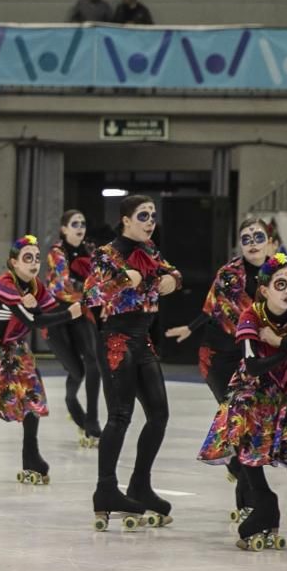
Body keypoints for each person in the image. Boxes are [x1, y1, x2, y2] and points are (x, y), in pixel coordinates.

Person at [165, 218, 287, 521]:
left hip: (262, 357)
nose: (252, 241)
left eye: (258, 236)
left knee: (253, 427)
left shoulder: (284, 271)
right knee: (239, 422)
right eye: (246, 237)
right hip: (222, 356)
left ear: (269, 241)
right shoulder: (229, 274)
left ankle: (247, 486)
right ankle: (249, 499)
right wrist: (189, 327)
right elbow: (210, 309)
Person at [198, 253, 287, 553]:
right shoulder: (252, 315)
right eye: (281, 284)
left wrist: (282, 343)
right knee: (242, 427)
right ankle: (264, 500)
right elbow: (252, 366)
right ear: (264, 290)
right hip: (254, 387)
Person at [84, 195, 181, 530]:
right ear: (126, 219)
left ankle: (140, 484)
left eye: (153, 215)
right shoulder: (107, 253)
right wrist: (127, 279)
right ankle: (105, 490)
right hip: (116, 339)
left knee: (159, 414)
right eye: (143, 215)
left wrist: (171, 279)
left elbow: (172, 276)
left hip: (143, 339)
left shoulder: (151, 249)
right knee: (121, 415)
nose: (150, 220)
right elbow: (92, 294)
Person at [0, 235, 81, 485]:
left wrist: (82, 302)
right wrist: (70, 313)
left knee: (33, 396)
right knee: (5, 406)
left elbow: (50, 309)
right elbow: (33, 321)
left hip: (14, 346)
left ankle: (31, 456)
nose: (34, 263)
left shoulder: (35, 286)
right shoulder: (3, 284)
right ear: (13, 262)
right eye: (27, 258)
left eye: (36, 258)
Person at [43, 210, 102, 448]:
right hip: (57, 314)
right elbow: (61, 283)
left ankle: (92, 418)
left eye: (83, 223)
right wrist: (91, 288)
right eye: (75, 224)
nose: (80, 227)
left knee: (93, 361)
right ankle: (70, 400)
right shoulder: (56, 253)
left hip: (80, 311)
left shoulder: (91, 250)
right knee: (77, 371)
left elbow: (102, 277)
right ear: (64, 229)